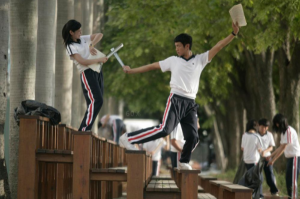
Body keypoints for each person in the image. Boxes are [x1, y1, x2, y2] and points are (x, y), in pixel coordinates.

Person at [119, 22, 240, 170]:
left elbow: (218, 46)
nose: (176, 49)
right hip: (175, 99)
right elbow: (152, 66)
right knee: (165, 129)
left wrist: (233, 34)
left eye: (178, 46)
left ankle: (183, 161)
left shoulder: (200, 60)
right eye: (175, 46)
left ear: (187, 46)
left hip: (190, 103)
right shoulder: (173, 61)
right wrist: (132, 71)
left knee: (193, 137)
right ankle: (128, 138)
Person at [62, 20, 107, 131]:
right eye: (78, 30)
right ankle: (84, 129)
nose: (80, 32)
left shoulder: (83, 39)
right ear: (71, 32)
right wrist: (99, 59)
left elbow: (99, 35)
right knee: (96, 100)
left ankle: (86, 128)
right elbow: (82, 61)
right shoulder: (70, 46)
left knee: (97, 101)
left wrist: (91, 44)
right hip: (87, 73)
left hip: (97, 71)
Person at [268, 114, 300, 199]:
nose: (276, 125)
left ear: (279, 123)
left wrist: (273, 160)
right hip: (290, 158)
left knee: (292, 181)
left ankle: (293, 197)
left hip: (295, 157)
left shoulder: (289, 130)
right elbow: (280, 147)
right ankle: (291, 196)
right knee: (288, 179)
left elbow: (284, 147)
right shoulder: (283, 133)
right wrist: (271, 155)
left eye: (276, 123)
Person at [241, 120, 263, 198]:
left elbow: (242, 148)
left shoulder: (244, 135)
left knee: (249, 178)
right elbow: (260, 149)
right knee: (258, 179)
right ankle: (259, 195)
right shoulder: (257, 136)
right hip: (254, 160)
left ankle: (250, 195)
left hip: (246, 160)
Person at [257, 118, 279, 196]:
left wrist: (265, 151)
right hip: (257, 158)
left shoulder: (269, 134)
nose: (264, 129)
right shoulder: (255, 135)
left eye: (266, 127)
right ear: (258, 126)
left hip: (267, 157)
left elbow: (271, 147)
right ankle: (259, 194)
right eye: (262, 127)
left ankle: (274, 191)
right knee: (259, 176)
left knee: (269, 174)